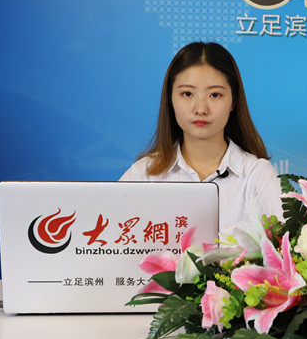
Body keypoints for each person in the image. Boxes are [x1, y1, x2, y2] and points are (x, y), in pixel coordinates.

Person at [120, 42, 282, 229]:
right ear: (170, 99)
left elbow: (288, 244)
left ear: (233, 101)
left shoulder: (256, 175)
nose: (201, 109)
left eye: (215, 95)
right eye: (187, 94)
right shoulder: (144, 174)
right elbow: (111, 239)